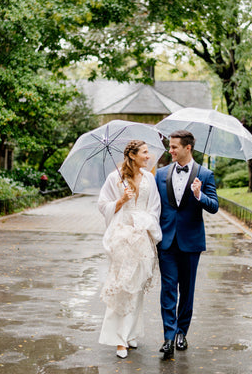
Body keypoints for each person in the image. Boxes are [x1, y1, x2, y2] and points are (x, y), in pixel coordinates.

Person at [155, 130, 219, 359]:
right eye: (169, 146)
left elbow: (214, 206)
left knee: (187, 290)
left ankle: (183, 332)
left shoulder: (205, 174)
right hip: (167, 241)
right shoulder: (160, 174)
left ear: (187, 148)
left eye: (173, 147)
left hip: (191, 242)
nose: (169, 150)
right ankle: (168, 337)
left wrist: (200, 195)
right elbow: (155, 206)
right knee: (168, 289)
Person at [98, 140, 162, 359]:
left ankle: (131, 333)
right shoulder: (115, 178)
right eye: (145, 152)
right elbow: (102, 205)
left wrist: (144, 223)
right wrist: (121, 200)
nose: (148, 155)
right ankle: (118, 340)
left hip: (142, 239)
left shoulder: (150, 179)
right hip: (122, 239)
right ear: (133, 155)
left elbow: (155, 208)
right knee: (123, 287)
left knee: (137, 288)